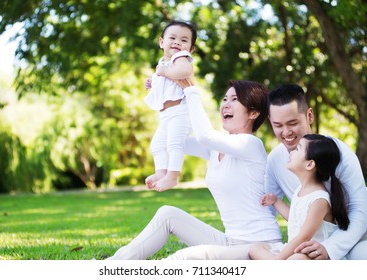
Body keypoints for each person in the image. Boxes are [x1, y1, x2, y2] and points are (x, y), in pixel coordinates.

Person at [107, 79, 282, 260]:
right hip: (231, 243)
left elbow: (205, 136)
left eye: (234, 99)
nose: (226, 105)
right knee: (168, 214)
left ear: (253, 112)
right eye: (225, 99)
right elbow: (174, 139)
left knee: (183, 258)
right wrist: (168, 98)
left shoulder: (251, 144)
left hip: (260, 246)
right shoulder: (216, 148)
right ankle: (112, 265)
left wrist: (190, 89)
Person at [265, 84, 367, 260]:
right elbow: (270, 211)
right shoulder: (275, 159)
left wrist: (330, 248)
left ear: (309, 115)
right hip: (304, 246)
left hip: (350, 240)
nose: (286, 132)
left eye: (293, 123)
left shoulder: (340, 154)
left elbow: (360, 210)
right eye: (278, 125)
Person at [249, 134, 350, 260]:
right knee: (255, 248)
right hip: (296, 249)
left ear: (309, 164)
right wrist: (275, 201)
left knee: (295, 259)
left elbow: (304, 237)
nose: (291, 152)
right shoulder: (301, 190)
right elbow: (295, 219)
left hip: (312, 254)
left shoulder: (319, 200)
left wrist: (279, 258)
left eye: (298, 149)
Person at [143, 20, 196, 192]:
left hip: (180, 112)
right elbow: (166, 82)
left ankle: (172, 176)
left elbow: (185, 72)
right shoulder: (163, 63)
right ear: (161, 42)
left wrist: (164, 73)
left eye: (183, 40)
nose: (177, 43)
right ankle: (161, 172)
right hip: (166, 115)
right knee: (157, 145)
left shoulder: (180, 58)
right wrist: (153, 82)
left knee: (174, 144)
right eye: (172, 38)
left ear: (190, 48)